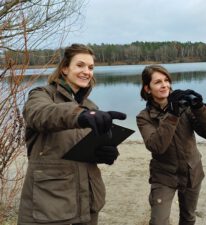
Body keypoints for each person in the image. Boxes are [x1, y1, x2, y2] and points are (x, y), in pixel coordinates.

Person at [18, 44, 126, 225]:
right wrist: (80, 115)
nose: (87, 71)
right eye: (80, 65)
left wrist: (106, 153)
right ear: (65, 68)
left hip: (88, 204)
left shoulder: (91, 106)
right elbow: (40, 115)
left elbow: (84, 149)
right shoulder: (41, 95)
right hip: (50, 207)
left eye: (91, 68)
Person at [136, 65, 206, 225]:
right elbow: (157, 146)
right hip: (163, 176)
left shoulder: (185, 107)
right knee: (158, 221)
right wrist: (173, 114)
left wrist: (199, 108)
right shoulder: (144, 117)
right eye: (158, 82)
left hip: (191, 171)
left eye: (166, 80)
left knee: (188, 218)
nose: (165, 85)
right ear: (147, 88)